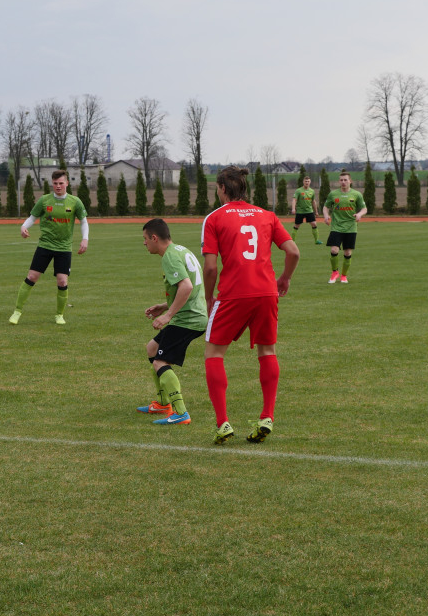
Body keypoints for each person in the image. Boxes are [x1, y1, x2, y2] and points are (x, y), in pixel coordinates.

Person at [201, 166, 300, 445]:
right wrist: (285, 278)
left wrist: (209, 297)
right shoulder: (267, 215)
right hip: (266, 293)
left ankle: (222, 423)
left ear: (221, 188)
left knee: (213, 353)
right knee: (267, 350)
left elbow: (210, 268)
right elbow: (293, 251)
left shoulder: (214, 218)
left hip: (233, 294)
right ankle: (267, 416)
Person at [137, 218, 208, 426]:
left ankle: (180, 412)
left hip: (188, 319)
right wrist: (164, 306)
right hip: (193, 314)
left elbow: (186, 286)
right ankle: (162, 403)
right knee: (153, 348)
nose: (144, 243)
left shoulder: (169, 257)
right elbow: (189, 287)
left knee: (160, 361)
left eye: (145, 239)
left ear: (154, 238)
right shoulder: (180, 249)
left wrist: (168, 316)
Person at [9, 170, 88, 325]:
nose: (58, 186)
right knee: (31, 277)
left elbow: (84, 221)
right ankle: (17, 312)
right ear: (52, 183)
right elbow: (33, 217)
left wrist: (85, 239)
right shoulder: (44, 200)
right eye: (55, 183)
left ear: (67, 183)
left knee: (62, 281)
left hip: (64, 248)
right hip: (45, 245)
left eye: (61, 183)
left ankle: (59, 315)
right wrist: (24, 227)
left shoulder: (75, 201)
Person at [322, 170, 366, 284]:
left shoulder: (357, 194)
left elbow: (364, 208)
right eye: (341, 180)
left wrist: (359, 214)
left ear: (350, 181)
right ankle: (334, 272)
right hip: (336, 226)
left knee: (347, 253)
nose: (343, 182)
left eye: (345, 180)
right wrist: (326, 216)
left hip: (351, 227)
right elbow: (326, 207)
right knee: (334, 249)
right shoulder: (333, 194)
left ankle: (344, 276)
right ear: (339, 181)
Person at [290, 175, 322, 245]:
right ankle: (292, 241)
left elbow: (313, 201)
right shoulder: (298, 190)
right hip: (300, 211)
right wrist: (293, 208)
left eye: (308, 181)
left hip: (309, 211)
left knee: (314, 224)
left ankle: (316, 240)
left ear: (310, 182)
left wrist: (316, 211)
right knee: (296, 226)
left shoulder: (312, 191)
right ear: (303, 182)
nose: (307, 182)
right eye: (305, 181)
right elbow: (294, 200)